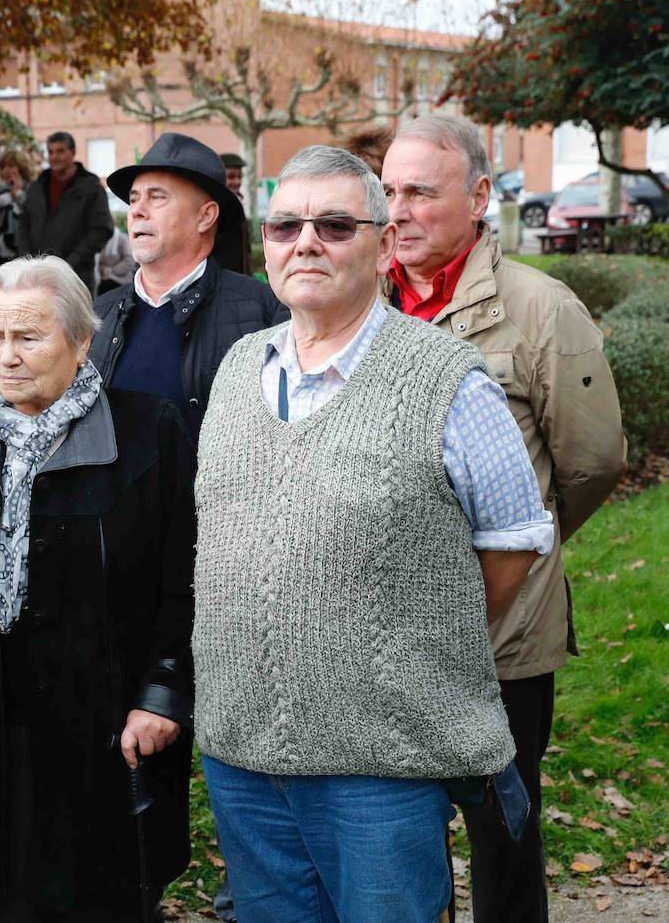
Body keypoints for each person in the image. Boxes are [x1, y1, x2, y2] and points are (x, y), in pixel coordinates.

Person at [193, 144, 555, 923]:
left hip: (382, 763)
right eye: (286, 226)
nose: (306, 242)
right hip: (241, 754)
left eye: (334, 224)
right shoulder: (234, 369)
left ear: (385, 244)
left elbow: (516, 540)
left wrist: (406, 640)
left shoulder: (446, 380)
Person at [0, 255, 194, 922]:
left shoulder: (147, 432)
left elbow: (184, 576)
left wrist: (163, 693)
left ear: (82, 341)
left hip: (104, 734)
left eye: (28, 337)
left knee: (99, 899)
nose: (6, 356)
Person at [381, 115, 626, 923]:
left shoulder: (542, 310)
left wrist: (516, 553)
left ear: (480, 196)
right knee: (396, 832)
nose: (399, 210)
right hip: (381, 630)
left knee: (503, 833)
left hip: (504, 636)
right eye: (388, 191)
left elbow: (589, 465)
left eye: (421, 190)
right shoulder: (363, 304)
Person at [89, 132, 287, 438]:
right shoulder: (94, 317)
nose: (137, 211)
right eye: (133, 198)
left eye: (157, 197)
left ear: (205, 216)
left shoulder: (265, 313)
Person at [17, 131, 113, 292]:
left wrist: (70, 262)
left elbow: (101, 229)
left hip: (76, 277)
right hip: (37, 277)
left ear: (73, 152)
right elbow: (24, 224)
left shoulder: (91, 187)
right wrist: (28, 261)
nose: (55, 157)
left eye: (60, 151)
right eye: (51, 151)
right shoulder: (37, 187)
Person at [0, 148, 34, 265]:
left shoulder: (32, 190)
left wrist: (18, 194)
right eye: (3, 167)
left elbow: (33, 216)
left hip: (25, 252)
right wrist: (6, 198)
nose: (6, 170)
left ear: (21, 167)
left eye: (11, 166)